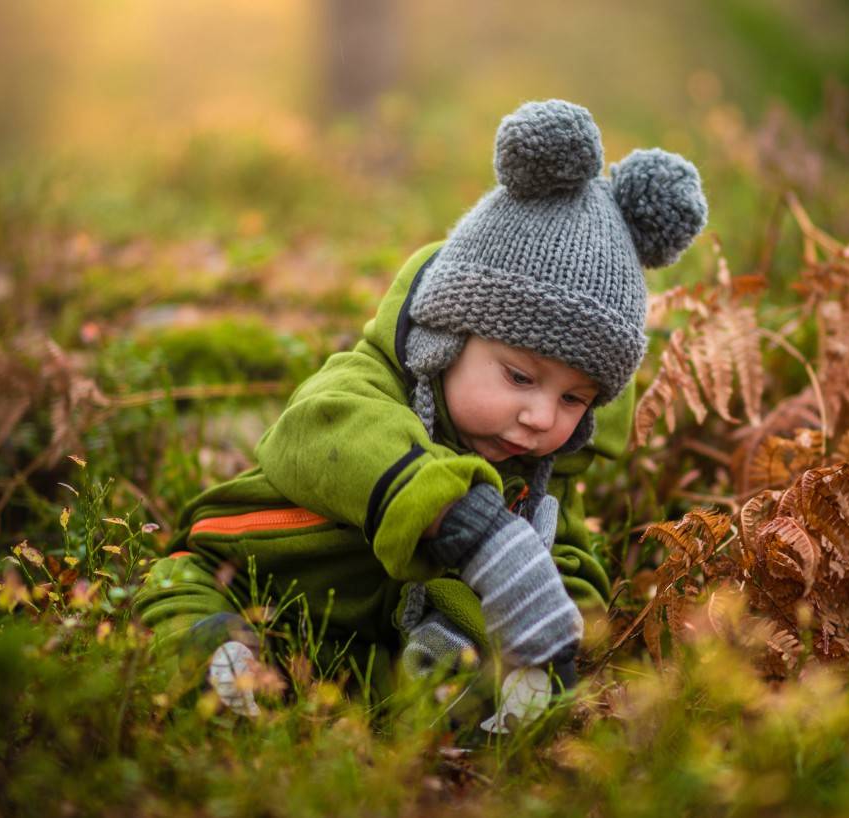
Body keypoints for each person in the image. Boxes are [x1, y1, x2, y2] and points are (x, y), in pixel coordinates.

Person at [133, 99, 707, 720]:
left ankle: (446, 699)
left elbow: (567, 559)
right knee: (184, 601)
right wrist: (466, 522)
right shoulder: (364, 387)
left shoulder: (539, 476)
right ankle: (219, 665)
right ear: (446, 339)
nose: (542, 417)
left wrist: (553, 635)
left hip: (360, 645)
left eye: (574, 399)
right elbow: (323, 431)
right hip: (245, 574)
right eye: (519, 377)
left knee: (474, 662)